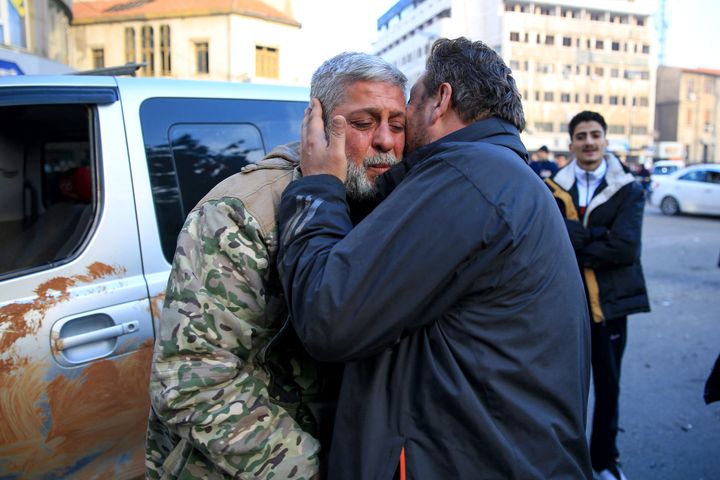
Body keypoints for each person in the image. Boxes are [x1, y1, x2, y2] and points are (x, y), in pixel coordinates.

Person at [278, 37, 592, 479]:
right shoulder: (503, 174)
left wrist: (317, 188)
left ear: (440, 98)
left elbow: (329, 316)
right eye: (366, 123)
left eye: (407, 104)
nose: (391, 134)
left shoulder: (469, 175)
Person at [145, 52, 407, 479]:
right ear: (317, 126)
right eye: (363, 123)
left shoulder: (388, 202)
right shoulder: (240, 215)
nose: (384, 141)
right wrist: (312, 470)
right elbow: (192, 382)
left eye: (397, 125)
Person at [546, 111, 651, 480]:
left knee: (608, 388)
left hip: (610, 305)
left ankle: (604, 460)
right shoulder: (554, 188)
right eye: (581, 135)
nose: (589, 141)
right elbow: (553, 244)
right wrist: (597, 237)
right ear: (571, 143)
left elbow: (625, 249)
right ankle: (564, 460)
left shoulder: (629, 188)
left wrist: (580, 240)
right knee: (564, 389)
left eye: (595, 134)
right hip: (567, 305)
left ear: (606, 140)